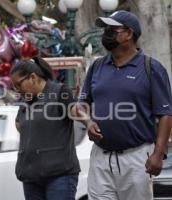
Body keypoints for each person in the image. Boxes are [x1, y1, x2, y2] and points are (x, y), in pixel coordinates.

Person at [72, 10, 172, 200]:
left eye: (112, 29)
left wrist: (158, 154)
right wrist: (88, 122)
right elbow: (81, 104)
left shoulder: (151, 67)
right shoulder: (97, 66)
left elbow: (166, 114)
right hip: (100, 157)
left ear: (129, 33)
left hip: (136, 158)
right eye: (105, 29)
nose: (106, 33)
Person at [9, 57, 80, 200]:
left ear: (33, 77)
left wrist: (88, 120)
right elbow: (20, 125)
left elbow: (77, 112)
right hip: (31, 177)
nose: (17, 90)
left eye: (18, 84)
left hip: (59, 176)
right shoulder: (26, 100)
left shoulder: (60, 92)